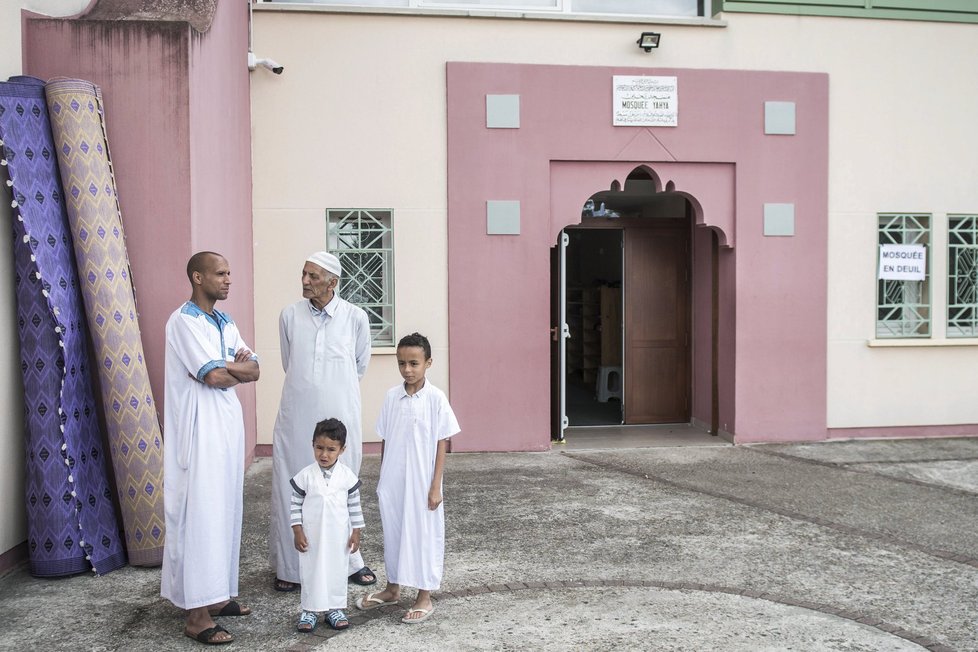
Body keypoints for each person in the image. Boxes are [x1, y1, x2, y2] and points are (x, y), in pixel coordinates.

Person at [161, 251, 260, 645]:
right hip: (198, 432)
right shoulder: (183, 322)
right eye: (220, 274)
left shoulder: (224, 320)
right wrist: (232, 368)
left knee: (224, 510)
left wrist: (232, 368)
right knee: (200, 515)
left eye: (230, 273)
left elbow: (255, 368)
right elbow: (216, 377)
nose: (228, 280)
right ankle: (196, 616)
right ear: (197, 277)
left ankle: (216, 597)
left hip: (226, 430)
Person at [270, 252, 375, 592]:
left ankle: (348, 563)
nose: (305, 281)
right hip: (297, 412)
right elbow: (291, 363)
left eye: (313, 276)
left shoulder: (355, 318)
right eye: (303, 274)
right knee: (295, 482)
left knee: (341, 485)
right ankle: (290, 568)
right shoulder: (289, 315)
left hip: (341, 410)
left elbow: (359, 365)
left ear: (333, 282)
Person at [355, 332, 460, 624]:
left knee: (424, 534)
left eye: (414, 363)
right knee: (395, 531)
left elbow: (442, 442)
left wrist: (435, 485)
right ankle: (392, 588)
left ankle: (424, 595)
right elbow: (386, 438)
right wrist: (382, 479)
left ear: (428, 362)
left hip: (424, 481)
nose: (407, 369)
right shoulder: (392, 397)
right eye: (402, 363)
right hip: (394, 480)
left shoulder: (436, 398)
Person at [290, 418, 365, 633]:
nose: (324, 454)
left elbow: (355, 506)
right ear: (312, 444)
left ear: (342, 449)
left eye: (331, 449)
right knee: (312, 570)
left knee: (336, 570)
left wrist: (356, 532)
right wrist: (297, 530)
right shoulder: (305, 476)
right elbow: (295, 504)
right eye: (319, 448)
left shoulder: (346, 477)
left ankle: (334, 607)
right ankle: (310, 610)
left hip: (338, 537)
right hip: (311, 536)